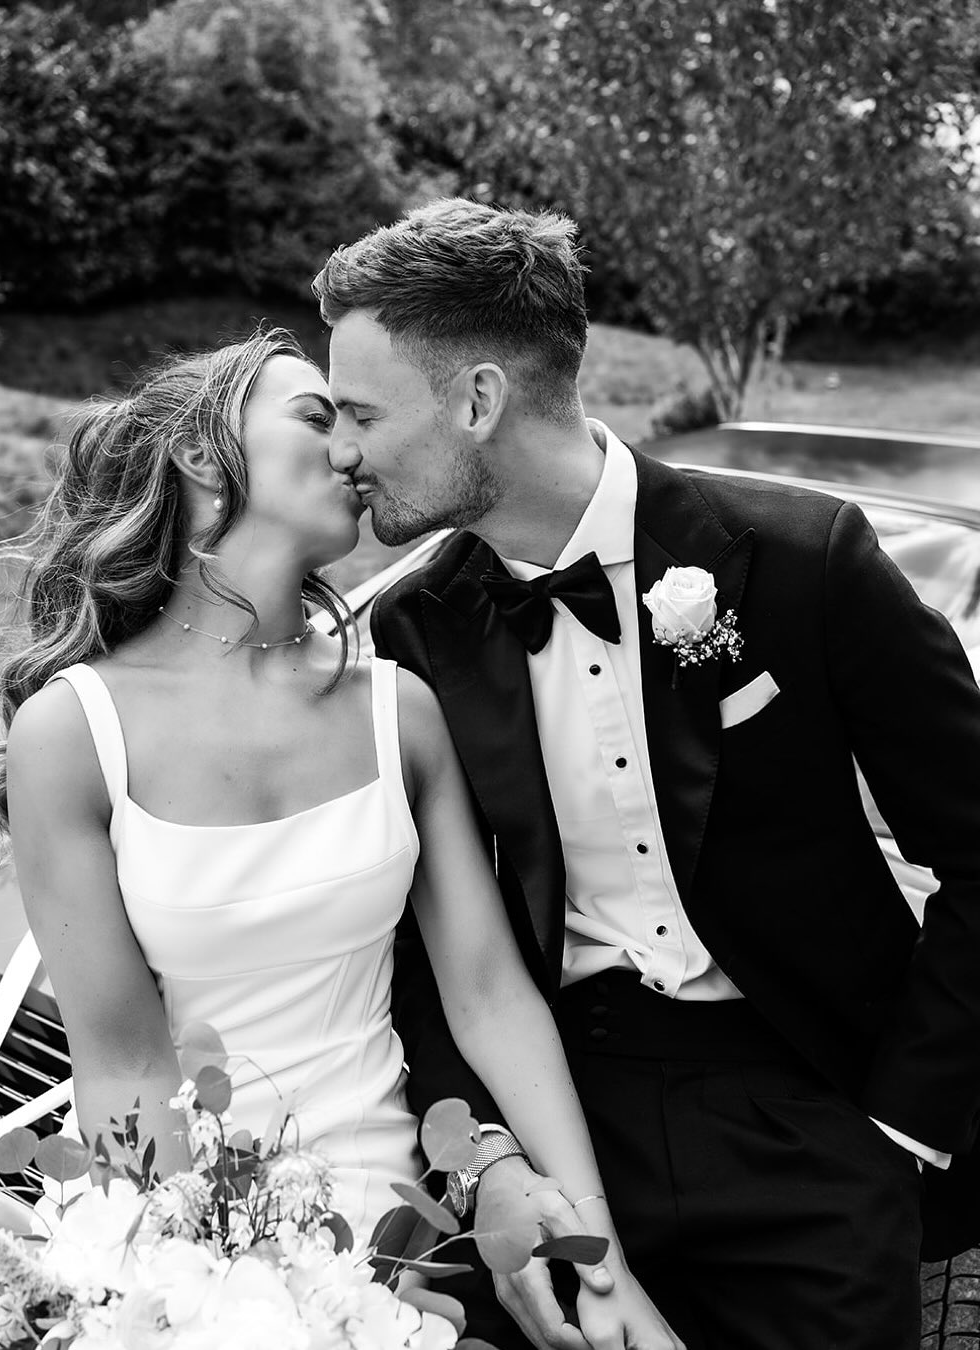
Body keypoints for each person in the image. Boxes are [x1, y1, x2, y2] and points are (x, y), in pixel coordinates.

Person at [312, 198, 980, 1350]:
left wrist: (898, 1134)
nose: (339, 449)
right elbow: (417, 944)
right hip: (566, 1113)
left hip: (811, 1115)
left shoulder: (805, 560)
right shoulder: (414, 629)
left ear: (479, 400)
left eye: (365, 413)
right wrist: (487, 1160)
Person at [0, 326, 682, 1349]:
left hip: (419, 1234)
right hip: (207, 1263)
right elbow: (124, 1073)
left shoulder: (401, 712)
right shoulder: (73, 736)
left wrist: (595, 1254)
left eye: (357, 419)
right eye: (317, 416)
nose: (354, 450)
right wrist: (235, 1298)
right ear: (205, 457)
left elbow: (489, 1001)